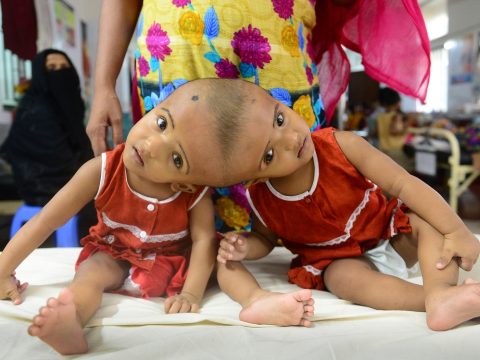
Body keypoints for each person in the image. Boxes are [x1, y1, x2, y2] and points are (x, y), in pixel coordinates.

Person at [86, 0, 431, 232]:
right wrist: (103, 84)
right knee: (184, 237)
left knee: (300, 224)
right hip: (175, 50)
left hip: (278, 43)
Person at [0, 79, 244, 355]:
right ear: (154, 108)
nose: (152, 145)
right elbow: (47, 220)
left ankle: (259, 301)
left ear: (185, 183)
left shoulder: (194, 193)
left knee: (228, 266)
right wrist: (3, 268)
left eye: (176, 159)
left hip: (172, 260)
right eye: (162, 123)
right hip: (114, 251)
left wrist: (191, 293)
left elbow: (203, 240)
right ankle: (72, 318)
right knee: (90, 274)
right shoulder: (101, 170)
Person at [214, 79, 480, 330]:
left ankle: (442, 290)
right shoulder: (263, 199)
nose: (292, 139)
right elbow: (265, 238)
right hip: (341, 260)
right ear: (252, 178)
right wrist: (246, 246)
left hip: (389, 233)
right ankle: (435, 301)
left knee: (428, 219)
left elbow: (403, 183)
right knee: (341, 279)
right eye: (269, 154)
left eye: (280, 119)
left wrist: (456, 230)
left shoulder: (342, 145)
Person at [1, 49, 93, 206]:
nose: (59, 73)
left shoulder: (71, 105)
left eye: (64, 67)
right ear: (40, 74)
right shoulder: (34, 111)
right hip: (42, 190)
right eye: (51, 68)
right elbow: (56, 161)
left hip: (69, 188)